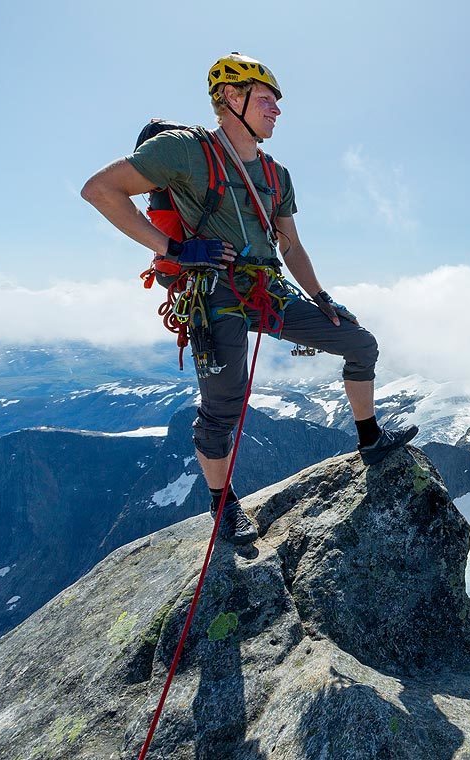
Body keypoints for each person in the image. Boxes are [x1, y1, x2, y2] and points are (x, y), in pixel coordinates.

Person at [81, 53, 416, 544]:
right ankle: (223, 506)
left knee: (360, 344)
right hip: (214, 290)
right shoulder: (186, 151)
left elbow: (292, 245)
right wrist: (174, 249)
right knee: (224, 406)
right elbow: (101, 189)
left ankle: (370, 440)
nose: (276, 109)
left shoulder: (276, 175)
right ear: (230, 99)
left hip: (267, 288)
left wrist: (322, 297)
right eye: (265, 99)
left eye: (276, 101)